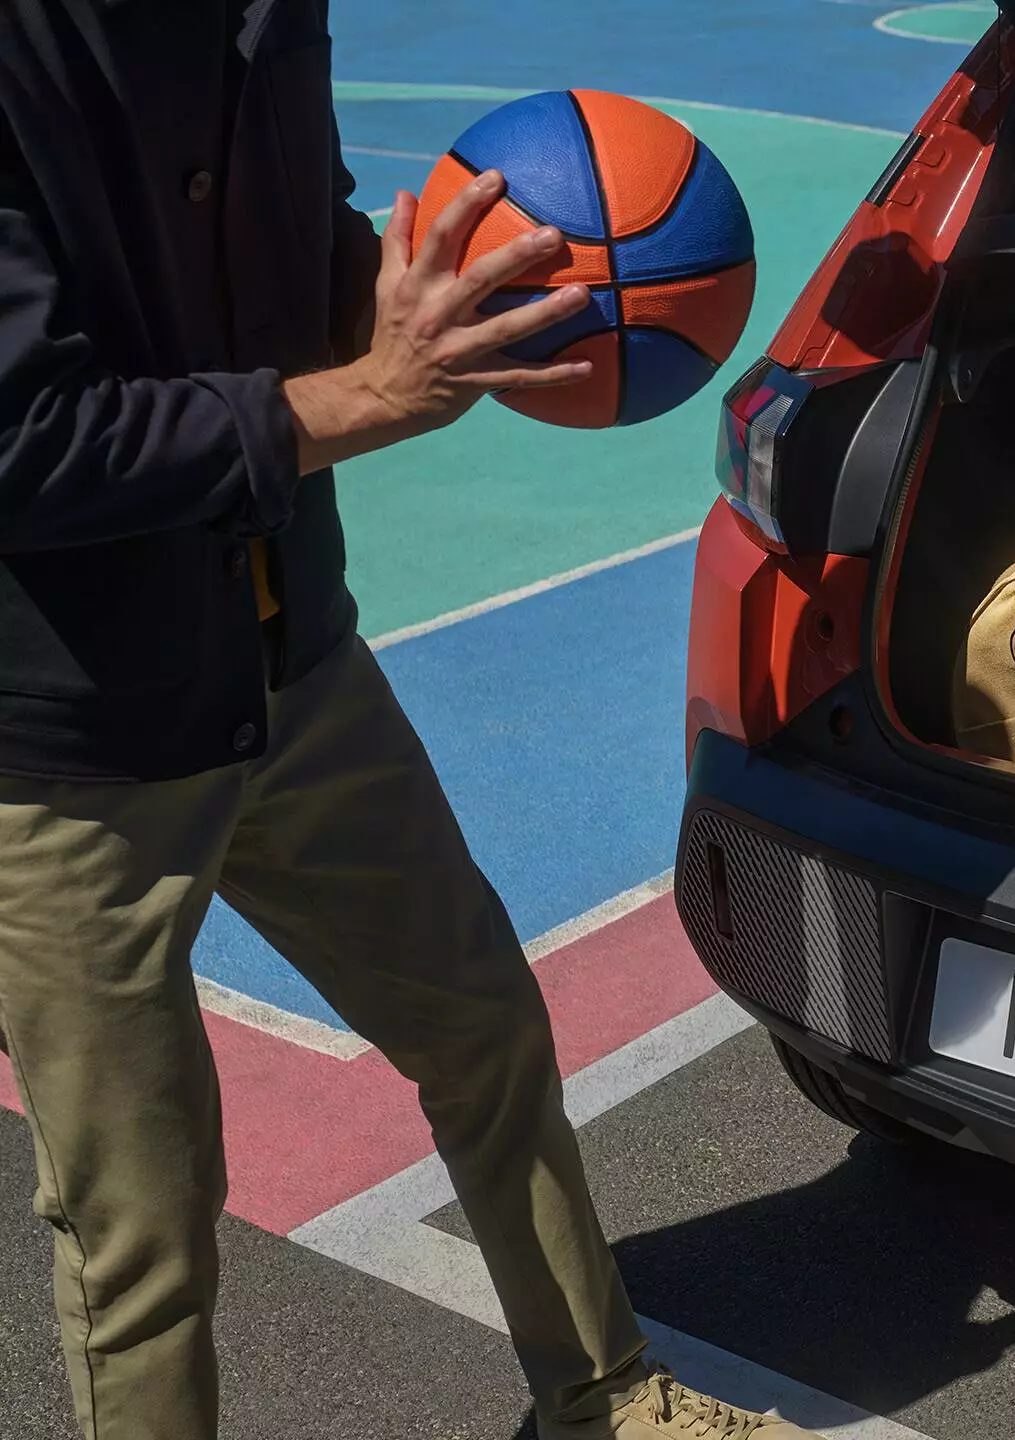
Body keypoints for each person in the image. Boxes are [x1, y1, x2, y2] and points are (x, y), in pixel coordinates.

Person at [0, 6, 816, 1437]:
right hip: (73, 743)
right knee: (141, 1214)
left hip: (292, 661)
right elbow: (22, 444)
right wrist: (375, 391)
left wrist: (472, 295)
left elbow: (302, 250)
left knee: (484, 1026)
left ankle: (604, 1399)